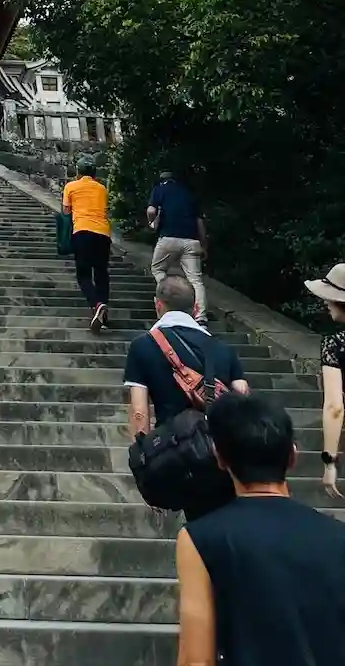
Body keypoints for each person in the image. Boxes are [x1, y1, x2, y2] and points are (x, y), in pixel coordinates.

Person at [175, 392, 345, 666]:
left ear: (220, 458)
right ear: (292, 456)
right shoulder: (338, 536)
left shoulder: (200, 539)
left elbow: (196, 660)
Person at [124, 274, 249, 520]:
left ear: (158, 305)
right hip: (221, 453)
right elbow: (243, 395)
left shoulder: (143, 346)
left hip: (175, 455)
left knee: (194, 524)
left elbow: (139, 413)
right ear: (195, 308)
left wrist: (144, 469)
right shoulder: (223, 349)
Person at [304, 261, 345, 499]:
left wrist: (329, 461)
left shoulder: (335, 344)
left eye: (329, 298)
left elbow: (334, 407)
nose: (325, 303)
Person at [148, 169, 209, 323]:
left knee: (157, 268)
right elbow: (199, 222)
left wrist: (152, 223)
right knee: (195, 280)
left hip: (168, 238)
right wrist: (203, 245)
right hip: (191, 241)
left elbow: (151, 210)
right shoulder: (189, 194)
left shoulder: (160, 189)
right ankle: (201, 317)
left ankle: (170, 297)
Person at [61, 160, 113, 332]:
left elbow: (66, 211)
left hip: (82, 231)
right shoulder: (102, 188)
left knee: (83, 274)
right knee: (101, 273)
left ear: (78, 172)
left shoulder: (71, 186)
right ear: (94, 173)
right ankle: (103, 311)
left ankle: (96, 304)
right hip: (103, 233)